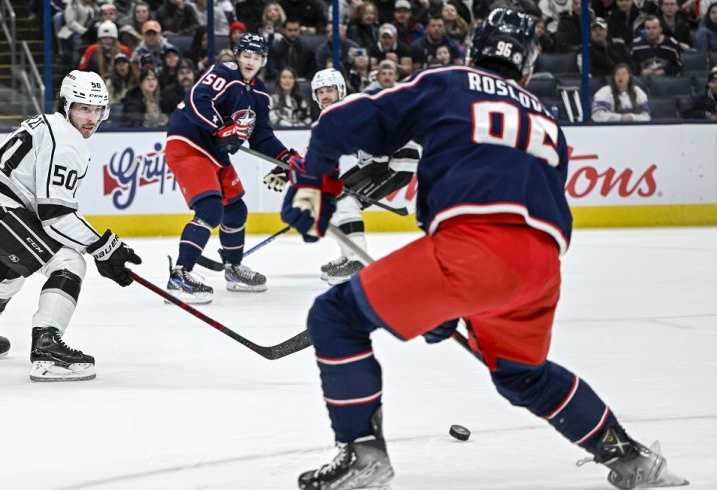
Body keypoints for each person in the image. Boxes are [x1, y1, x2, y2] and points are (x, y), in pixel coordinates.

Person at [280, 9, 688, 490]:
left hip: (471, 250)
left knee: (336, 318)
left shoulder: (451, 82)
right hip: (539, 270)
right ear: (529, 67)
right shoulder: (547, 121)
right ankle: (630, 459)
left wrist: (313, 183)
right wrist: (452, 304)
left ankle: (363, 454)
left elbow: (340, 121)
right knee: (523, 375)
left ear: (476, 49)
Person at [0, 70, 142, 382]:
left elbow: (42, 209)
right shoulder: (67, 142)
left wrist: (102, 247)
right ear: (66, 105)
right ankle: (48, 349)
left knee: (6, 277)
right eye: (83, 108)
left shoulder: (48, 124)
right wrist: (104, 247)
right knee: (68, 261)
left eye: (97, 110)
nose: (91, 118)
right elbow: (55, 217)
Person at [163, 33, 300, 304]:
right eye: (246, 55)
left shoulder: (259, 94)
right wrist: (220, 127)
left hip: (216, 152)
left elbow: (261, 136)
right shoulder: (223, 72)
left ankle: (234, 270)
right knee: (210, 209)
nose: (250, 61)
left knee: (236, 210)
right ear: (238, 55)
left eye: (257, 57)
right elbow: (196, 100)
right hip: (189, 144)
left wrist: (288, 158)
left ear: (264, 60)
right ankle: (180, 275)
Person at [284, 67, 417, 285]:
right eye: (320, 92)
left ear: (341, 90)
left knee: (346, 202)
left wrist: (381, 161)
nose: (325, 95)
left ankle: (358, 263)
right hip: (379, 160)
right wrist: (287, 166)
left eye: (330, 90)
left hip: (397, 159)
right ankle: (349, 257)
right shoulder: (329, 119)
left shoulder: (352, 104)